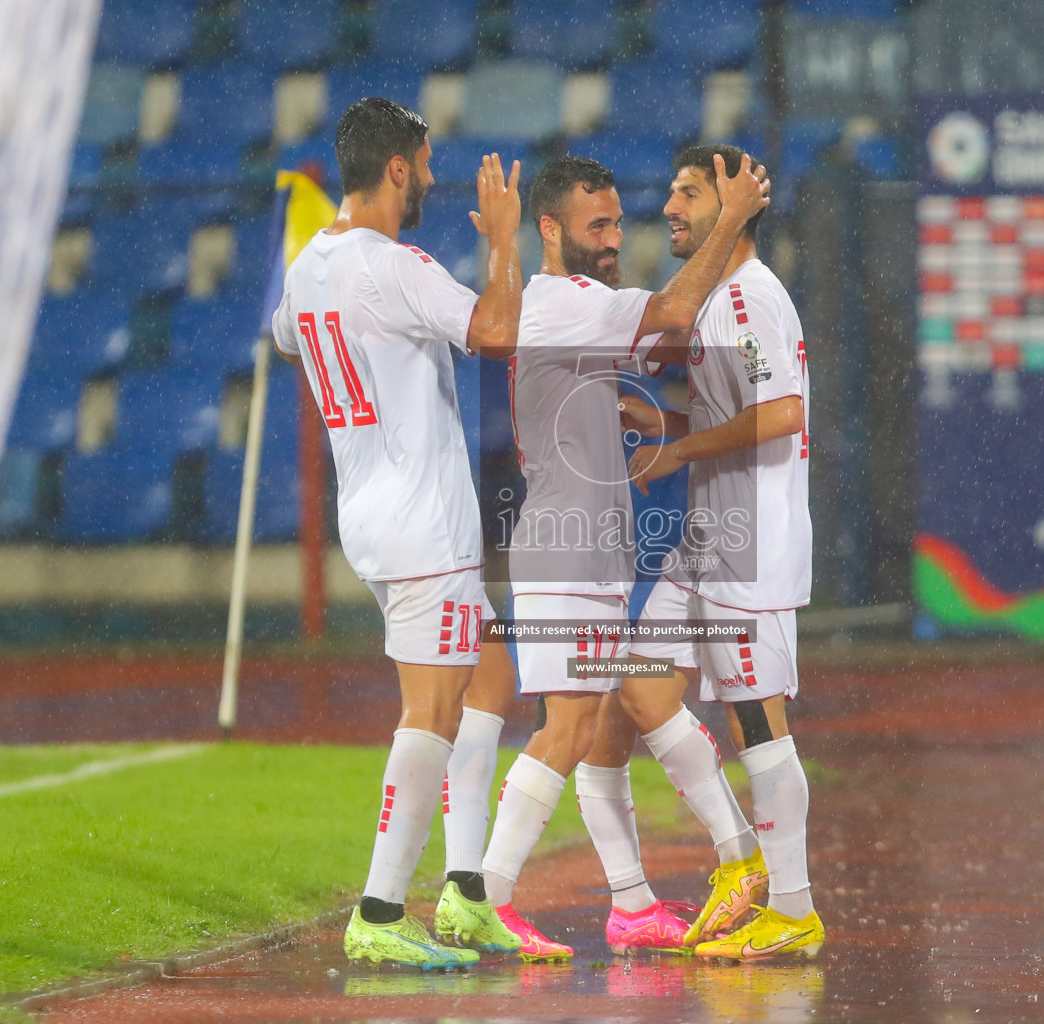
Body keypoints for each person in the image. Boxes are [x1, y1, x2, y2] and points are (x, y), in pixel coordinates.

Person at [476, 152, 771, 960]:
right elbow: (676, 310)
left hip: (589, 556)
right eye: (596, 225)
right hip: (565, 560)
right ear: (549, 229)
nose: (612, 239)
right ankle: (486, 895)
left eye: (615, 223)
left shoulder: (574, 309)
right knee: (572, 725)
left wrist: (629, 430)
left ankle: (634, 905)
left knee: (611, 719)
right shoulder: (567, 302)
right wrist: (734, 217)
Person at [271, 97, 524, 970]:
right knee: (435, 711)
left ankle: (464, 891)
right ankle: (379, 910)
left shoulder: (311, 265)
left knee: (489, 676)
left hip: (371, 512)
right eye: (423, 164)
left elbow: (284, 340)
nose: (429, 178)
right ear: (395, 169)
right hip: (426, 527)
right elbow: (496, 329)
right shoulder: (396, 264)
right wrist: (504, 239)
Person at [622, 143, 822, 960]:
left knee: (758, 722)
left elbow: (782, 414)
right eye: (669, 189)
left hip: (751, 545)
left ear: (730, 208)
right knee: (639, 687)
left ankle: (795, 908)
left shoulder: (746, 301)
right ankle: (740, 857)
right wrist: (669, 431)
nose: (670, 206)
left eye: (689, 192)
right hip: (710, 536)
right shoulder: (716, 301)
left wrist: (679, 449)